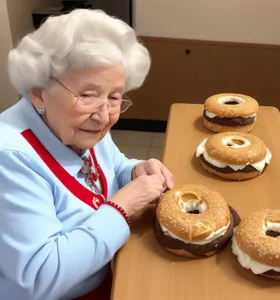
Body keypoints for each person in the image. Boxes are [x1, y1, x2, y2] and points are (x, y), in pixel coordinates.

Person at [0, 9, 173, 300]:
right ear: (39, 91)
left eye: (114, 97)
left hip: (112, 273)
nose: (104, 116)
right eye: (87, 95)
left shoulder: (77, 124)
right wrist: (122, 208)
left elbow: (112, 163)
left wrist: (133, 171)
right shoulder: (11, 158)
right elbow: (37, 276)